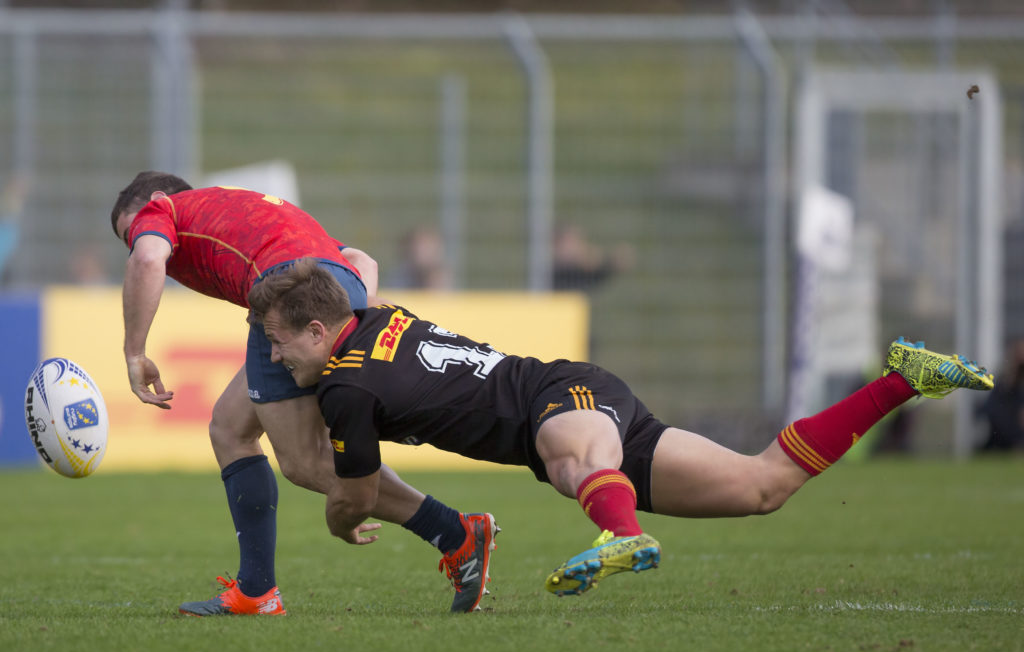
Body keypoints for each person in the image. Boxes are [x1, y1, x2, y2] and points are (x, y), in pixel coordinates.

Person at [248, 258, 995, 598]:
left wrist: (342, 521)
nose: (275, 357)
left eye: (280, 342)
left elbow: (356, 490)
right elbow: (360, 265)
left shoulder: (347, 388)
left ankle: (617, 534)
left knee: (571, 461)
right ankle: (907, 376)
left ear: (320, 330)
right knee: (763, 486)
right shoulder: (376, 316)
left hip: (557, 396)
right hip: (583, 396)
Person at [111, 172, 497, 615]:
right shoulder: (248, 207)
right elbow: (360, 259)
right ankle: (257, 588)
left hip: (285, 291)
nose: (137, 238)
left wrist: (134, 351)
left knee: (303, 460)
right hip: (336, 288)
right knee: (230, 428)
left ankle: (455, 534)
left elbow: (146, 260)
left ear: (159, 199)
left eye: (132, 230)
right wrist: (353, 317)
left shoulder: (164, 211)